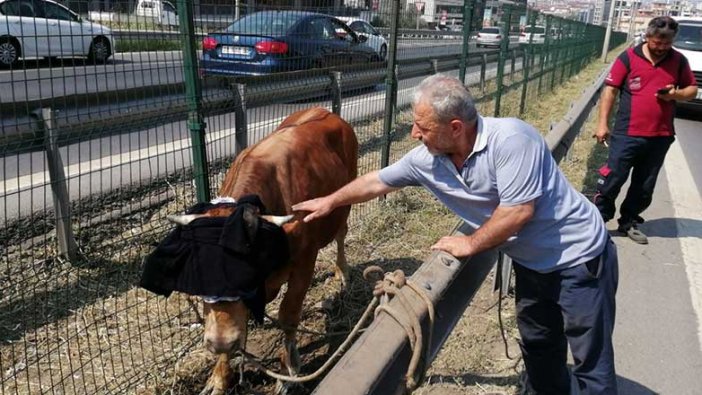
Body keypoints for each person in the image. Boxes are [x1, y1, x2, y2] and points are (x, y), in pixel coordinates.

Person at [292, 74, 619, 395]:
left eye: (422, 126)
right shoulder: (429, 159)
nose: (413, 134)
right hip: (532, 264)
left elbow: (518, 212)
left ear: (456, 128)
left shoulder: (511, 140)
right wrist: (331, 201)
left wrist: (470, 243)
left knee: (590, 359)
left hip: (579, 260)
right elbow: (377, 181)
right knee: (539, 347)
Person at [594, 16, 698, 244]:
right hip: (626, 134)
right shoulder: (629, 57)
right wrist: (602, 124)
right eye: (656, 43)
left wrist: (675, 95)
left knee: (644, 184)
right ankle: (598, 219)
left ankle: (628, 221)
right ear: (647, 37)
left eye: (666, 44)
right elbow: (610, 91)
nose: (661, 48)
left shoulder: (679, 61)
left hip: (660, 136)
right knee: (613, 178)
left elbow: (692, 89)